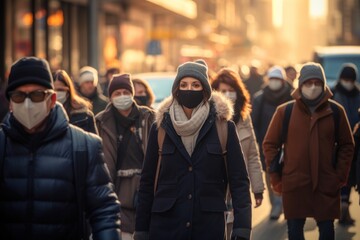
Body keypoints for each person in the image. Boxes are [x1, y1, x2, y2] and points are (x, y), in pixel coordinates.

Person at [0, 57, 121, 239]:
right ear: (10, 102)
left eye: (37, 95)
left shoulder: (84, 145)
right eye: (18, 96)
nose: (27, 104)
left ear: (52, 98)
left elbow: (103, 209)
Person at [134, 60, 251, 240]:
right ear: (176, 89)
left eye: (196, 85)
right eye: (184, 84)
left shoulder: (223, 127)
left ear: (205, 90)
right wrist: (141, 229)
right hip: (166, 228)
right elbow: (147, 182)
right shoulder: (160, 128)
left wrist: (242, 227)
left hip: (208, 227)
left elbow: (239, 181)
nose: (189, 89)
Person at [263, 62, 354, 240]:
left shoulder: (336, 111)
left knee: (327, 231)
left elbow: (347, 145)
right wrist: (276, 177)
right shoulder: (285, 112)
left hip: (326, 183)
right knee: (295, 232)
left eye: (317, 83)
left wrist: (340, 175)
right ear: (300, 84)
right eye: (308, 83)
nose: (313, 87)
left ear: (323, 84)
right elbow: (270, 144)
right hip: (295, 184)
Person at [96, 73, 155, 240]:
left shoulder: (148, 117)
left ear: (132, 93)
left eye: (125, 92)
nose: (122, 96)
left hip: (145, 194)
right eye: (117, 93)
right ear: (110, 97)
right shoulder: (101, 122)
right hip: (116, 195)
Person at [211, 67, 265, 205]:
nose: (227, 95)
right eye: (223, 91)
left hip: (239, 189)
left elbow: (253, 154)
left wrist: (257, 189)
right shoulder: (208, 118)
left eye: (231, 91)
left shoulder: (244, 118)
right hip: (213, 190)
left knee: (240, 225)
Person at [251, 65, 292, 220]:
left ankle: (283, 203)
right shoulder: (259, 98)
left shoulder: (291, 96)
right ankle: (275, 204)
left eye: (277, 79)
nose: (274, 82)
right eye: (272, 79)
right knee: (270, 174)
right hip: (266, 144)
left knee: (287, 174)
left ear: (282, 80)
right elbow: (254, 122)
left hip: (288, 143)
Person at [331, 63, 360, 225]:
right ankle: (338, 209)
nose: (347, 82)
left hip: (355, 142)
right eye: (345, 79)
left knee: (349, 176)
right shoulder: (333, 93)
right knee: (337, 175)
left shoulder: (358, 93)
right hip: (335, 142)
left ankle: (344, 209)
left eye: (350, 79)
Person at [53, 69, 98, 134]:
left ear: (68, 91)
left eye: (60, 90)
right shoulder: (42, 114)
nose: (56, 93)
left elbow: (95, 142)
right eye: (53, 90)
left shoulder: (84, 115)